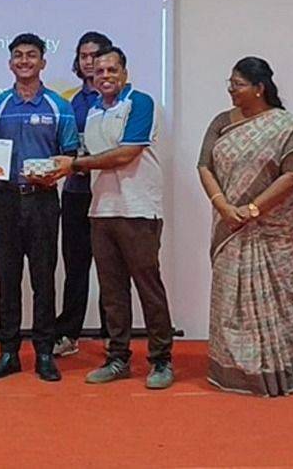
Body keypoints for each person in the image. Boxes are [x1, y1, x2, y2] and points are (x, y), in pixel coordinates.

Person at [197, 57, 293, 396]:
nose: (231, 90)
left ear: (259, 88)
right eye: (230, 83)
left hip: (275, 233)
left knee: (279, 302)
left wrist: (253, 209)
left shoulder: (287, 127)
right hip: (230, 227)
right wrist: (224, 207)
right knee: (231, 303)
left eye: (238, 84)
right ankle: (233, 373)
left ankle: (275, 373)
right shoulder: (221, 122)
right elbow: (204, 166)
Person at [54, 47, 174, 389]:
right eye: (99, 71)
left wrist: (74, 165)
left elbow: (126, 154)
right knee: (112, 291)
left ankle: (161, 359)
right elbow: (87, 156)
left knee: (148, 288)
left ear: (124, 73)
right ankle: (118, 357)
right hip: (100, 210)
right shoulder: (92, 110)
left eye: (112, 70)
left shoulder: (140, 102)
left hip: (138, 209)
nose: (105, 76)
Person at [0, 34, 78, 382]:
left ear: (42, 62)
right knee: (8, 280)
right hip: (4, 200)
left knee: (43, 280)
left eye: (31, 55)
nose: (24, 61)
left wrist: (55, 172)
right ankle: (8, 353)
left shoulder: (58, 106)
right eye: (18, 55)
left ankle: (45, 354)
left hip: (43, 201)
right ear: (10, 63)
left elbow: (70, 155)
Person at [53, 32, 111, 358]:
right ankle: (68, 333)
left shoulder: (121, 100)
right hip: (76, 192)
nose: (89, 62)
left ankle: (112, 335)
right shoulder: (67, 100)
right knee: (75, 266)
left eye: (95, 55)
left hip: (111, 192)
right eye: (83, 56)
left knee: (111, 268)